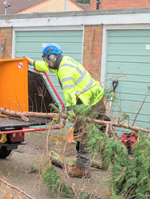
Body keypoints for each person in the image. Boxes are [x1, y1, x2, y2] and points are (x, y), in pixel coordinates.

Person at [24, 43, 106, 178]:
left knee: (82, 131)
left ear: (53, 57)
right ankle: (114, 156)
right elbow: (46, 66)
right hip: (94, 97)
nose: (46, 62)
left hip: (90, 102)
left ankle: (83, 168)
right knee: (103, 126)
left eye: (47, 59)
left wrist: (71, 110)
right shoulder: (62, 61)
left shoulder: (64, 70)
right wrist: (33, 63)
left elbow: (69, 92)